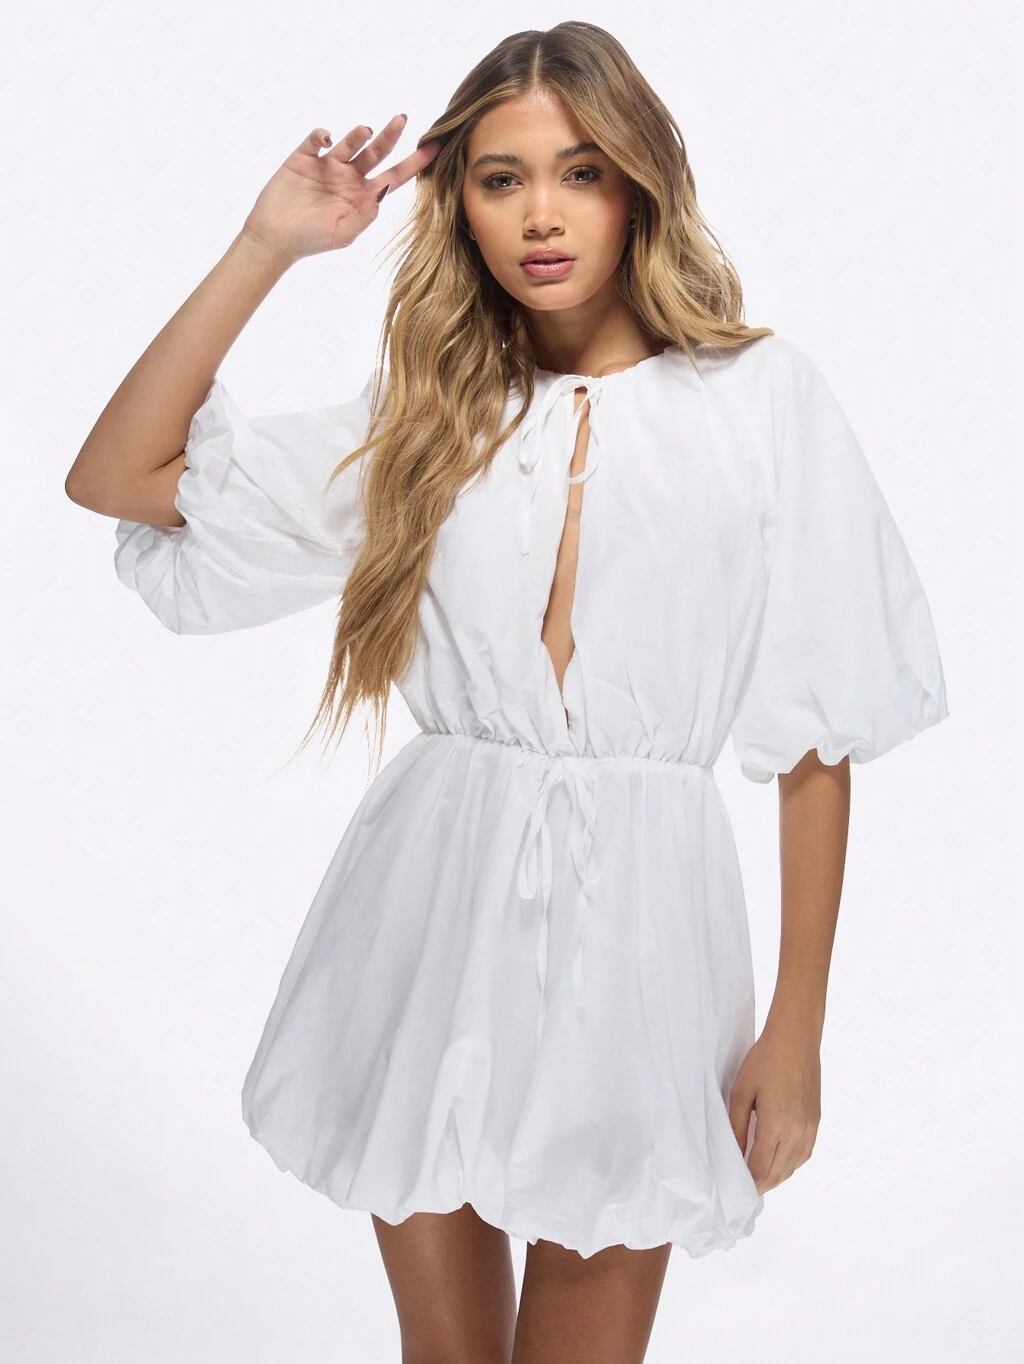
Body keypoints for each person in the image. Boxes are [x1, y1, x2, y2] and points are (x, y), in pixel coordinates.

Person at [65, 22, 949, 1364]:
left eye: (581, 172)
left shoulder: (760, 401)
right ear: (459, 204)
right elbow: (118, 478)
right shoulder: (430, 415)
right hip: (429, 914)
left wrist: (797, 1028)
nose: (542, 214)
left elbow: (820, 735)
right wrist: (265, 247)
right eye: (501, 178)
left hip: (645, 931)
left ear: (639, 186)